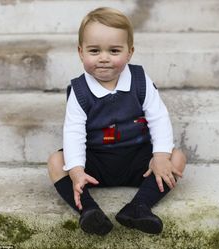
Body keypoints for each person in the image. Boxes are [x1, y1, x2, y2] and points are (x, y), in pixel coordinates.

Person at [48, 7, 186, 236]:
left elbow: (159, 117)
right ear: (80, 53)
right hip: (95, 163)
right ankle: (89, 212)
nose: (104, 58)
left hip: (137, 160)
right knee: (56, 162)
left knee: (178, 157)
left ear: (129, 52)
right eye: (94, 51)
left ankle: (138, 207)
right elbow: (73, 132)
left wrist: (160, 157)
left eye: (114, 50)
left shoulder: (140, 80)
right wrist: (77, 170)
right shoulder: (80, 91)